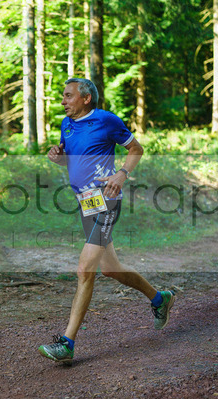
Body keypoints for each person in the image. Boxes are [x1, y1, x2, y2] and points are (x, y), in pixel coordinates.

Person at [38, 78, 176, 363]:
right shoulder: (66, 125)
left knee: (84, 270)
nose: (63, 101)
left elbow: (136, 149)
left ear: (86, 98)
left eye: (68, 96)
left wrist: (121, 174)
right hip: (86, 203)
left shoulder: (106, 120)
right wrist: (58, 157)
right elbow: (72, 159)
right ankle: (160, 298)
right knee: (110, 269)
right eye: (63, 96)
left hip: (106, 199)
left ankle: (67, 343)